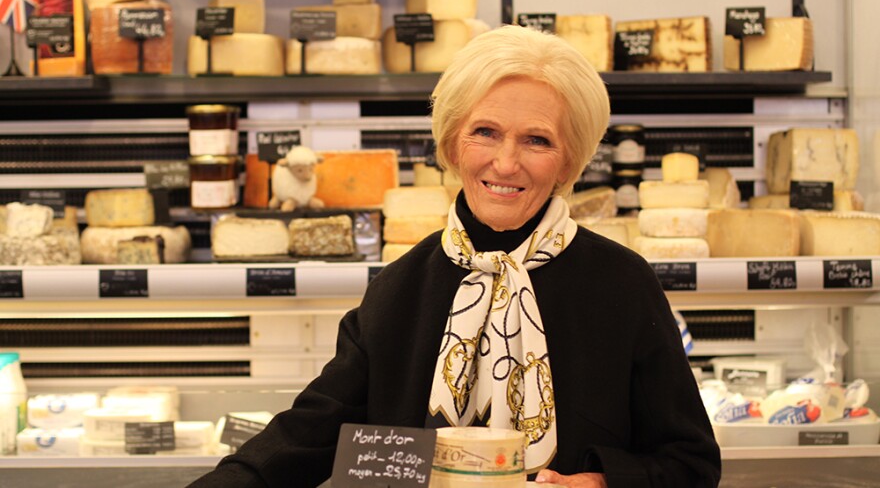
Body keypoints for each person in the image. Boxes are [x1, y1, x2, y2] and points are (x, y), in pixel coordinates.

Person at [187, 24, 721, 488]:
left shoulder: (621, 284)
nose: (506, 163)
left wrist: (605, 481)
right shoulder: (400, 288)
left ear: (568, 162)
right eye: (484, 132)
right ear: (450, 145)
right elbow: (310, 432)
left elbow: (690, 462)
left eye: (537, 140)